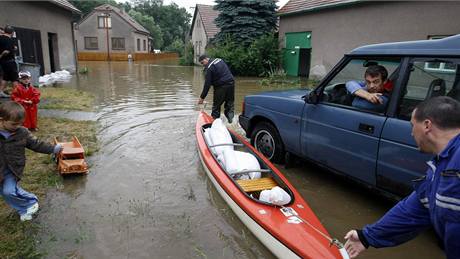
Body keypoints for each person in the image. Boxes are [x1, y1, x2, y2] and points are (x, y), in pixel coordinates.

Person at [344, 96, 460, 259]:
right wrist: (366, 237)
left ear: (427, 125)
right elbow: (413, 211)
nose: (412, 133)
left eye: (413, 126)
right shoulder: (439, 167)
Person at [0, 101, 61, 221]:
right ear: (2, 119)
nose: (17, 126)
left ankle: (27, 205)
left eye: (20, 123)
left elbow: (36, 145)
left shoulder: (22, 132)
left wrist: (53, 149)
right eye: (14, 124)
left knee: (8, 191)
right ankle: (29, 198)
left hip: (13, 168)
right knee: (5, 191)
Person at [197, 54, 235, 123]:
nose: (203, 65)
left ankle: (214, 124)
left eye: (202, 63)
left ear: (206, 59)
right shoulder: (219, 60)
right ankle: (231, 123)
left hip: (221, 87)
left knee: (216, 107)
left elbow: (207, 85)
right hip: (231, 83)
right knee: (230, 105)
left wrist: (202, 98)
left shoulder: (209, 68)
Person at [0, 25, 18, 98]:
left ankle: (0, 92)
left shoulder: (0, 38)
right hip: (10, 62)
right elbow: (6, 51)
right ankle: (17, 94)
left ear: (4, 31)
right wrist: (1, 55)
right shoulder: (9, 39)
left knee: (6, 77)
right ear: (12, 32)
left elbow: (11, 47)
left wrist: (13, 48)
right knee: (15, 78)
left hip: (3, 62)